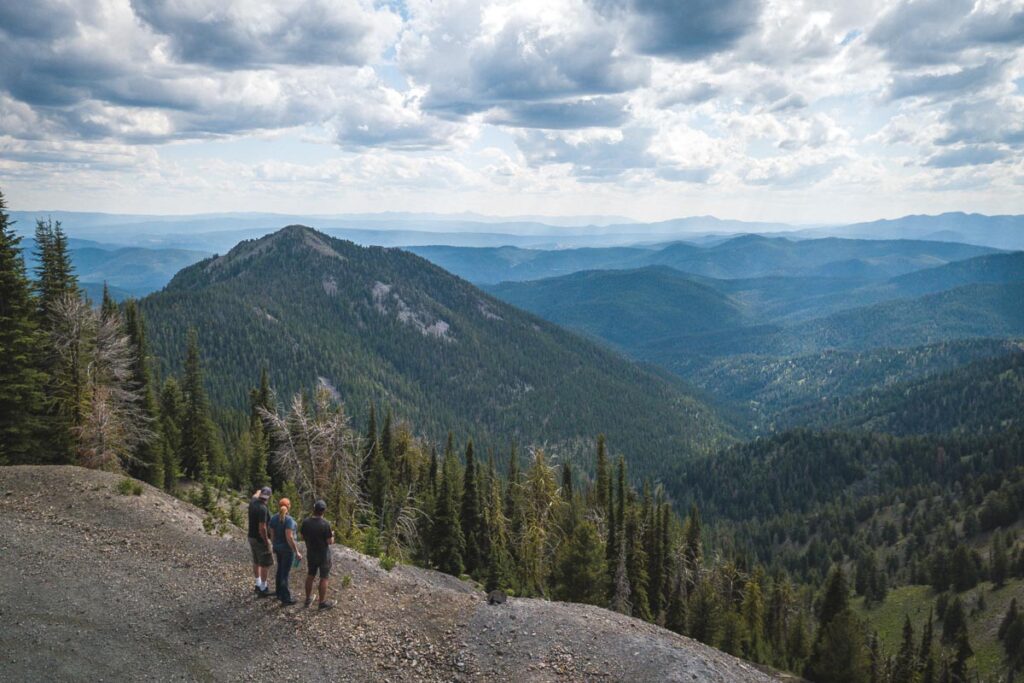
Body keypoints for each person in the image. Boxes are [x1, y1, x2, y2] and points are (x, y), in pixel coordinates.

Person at [301, 499, 336, 609]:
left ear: (314, 509)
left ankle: (307, 599)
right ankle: (322, 602)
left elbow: (302, 536)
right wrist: (332, 535)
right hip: (323, 555)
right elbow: (330, 541)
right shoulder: (325, 524)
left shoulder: (306, 522)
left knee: (310, 575)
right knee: (324, 577)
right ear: (323, 511)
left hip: (311, 552)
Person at [268, 497, 302, 605]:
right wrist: (296, 551)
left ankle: (278, 593)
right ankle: (285, 598)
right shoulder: (289, 520)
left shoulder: (273, 518)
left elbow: (272, 535)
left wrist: (274, 545)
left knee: (279, 570)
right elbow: (289, 537)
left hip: (278, 548)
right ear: (289, 506)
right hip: (287, 550)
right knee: (285, 573)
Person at [247, 486, 273, 597]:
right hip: (259, 539)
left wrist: (259, 491)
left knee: (256, 561)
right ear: (269, 497)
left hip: (251, 537)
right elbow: (262, 527)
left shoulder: (253, 502)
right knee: (265, 564)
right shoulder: (262, 508)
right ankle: (263, 588)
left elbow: (256, 493)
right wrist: (266, 541)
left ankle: (257, 584)